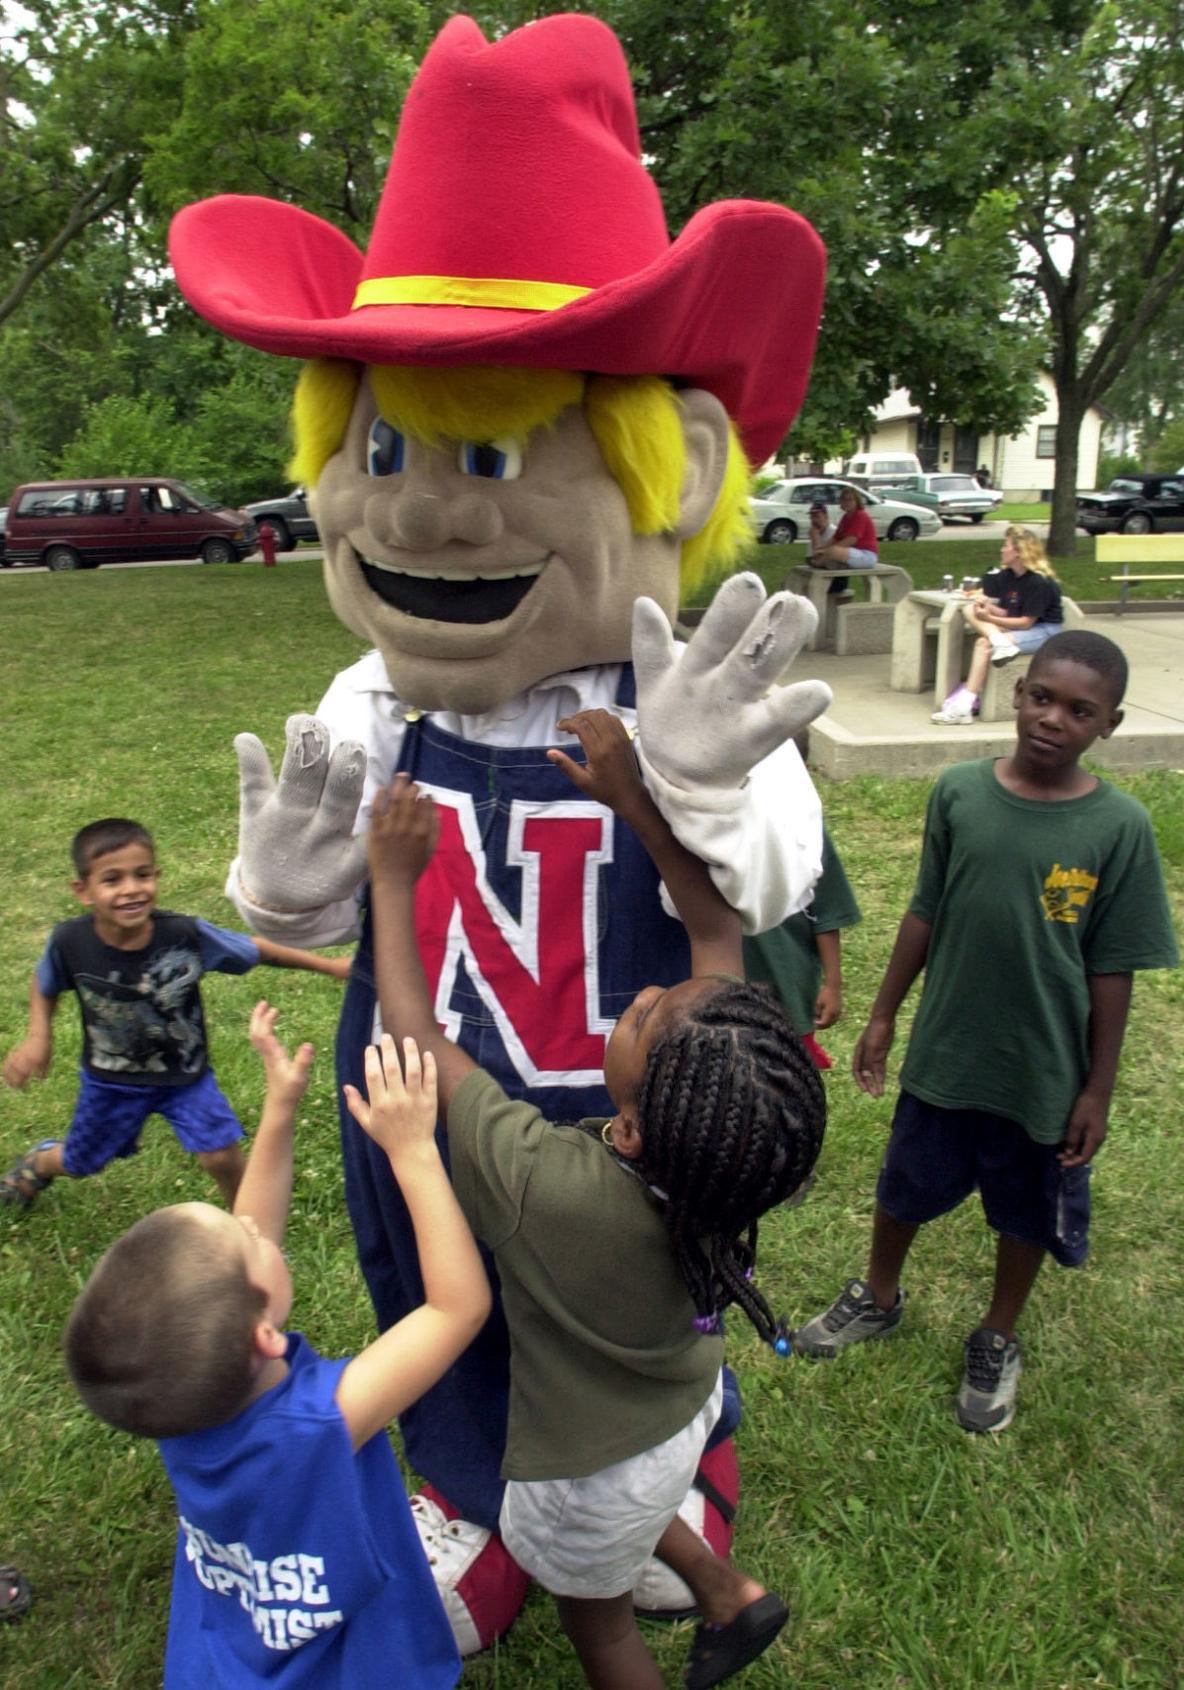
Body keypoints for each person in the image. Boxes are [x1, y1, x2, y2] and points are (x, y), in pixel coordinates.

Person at [170, 13, 834, 1642]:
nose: (421, 509)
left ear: (665, 471)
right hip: (422, 1104)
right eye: (382, 448)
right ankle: (474, 1494)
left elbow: (773, 879)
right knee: (434, 1300)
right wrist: (285, 876)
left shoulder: (671, 691)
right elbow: (306, 879)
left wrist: (701, 784)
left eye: (488, 454)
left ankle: (677, 1470)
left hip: (628, 1114)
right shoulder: (374, 698)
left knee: (649, 1300)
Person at [365, 707, 826, 1690]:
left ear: (628, 1129)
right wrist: (634, 802)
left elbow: (418, 1035)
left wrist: (393, 883)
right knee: (652, 1491)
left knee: (600, 1624)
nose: (652, 994)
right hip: (678, 1411)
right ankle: (724, 1589)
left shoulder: (552, 1187)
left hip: (582, 1470)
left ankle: (663, 1615)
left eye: (647, 1012)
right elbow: (711, 926)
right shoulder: (727, 1149)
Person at [796, 631, 1178, 1432]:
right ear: (1016, 692)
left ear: (1106, 726)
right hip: (948, 1053)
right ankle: (880, 1293)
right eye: (1041, 697)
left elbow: (1114, 970)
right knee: (903, 1185)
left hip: (1042, 1069)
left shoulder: (1121, 825)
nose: (1052, 720)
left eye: (1080, 711)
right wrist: (882, 1013)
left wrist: (1097, 1088)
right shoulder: (960, 792)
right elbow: (925, 910)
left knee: (1024, 1210)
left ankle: (998, 1334)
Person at [64, 1001, 489, 1687]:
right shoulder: (321, 1422)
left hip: (225, 1663)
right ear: (263, 1335)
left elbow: (246, 1235)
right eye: (249, 1243)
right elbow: (455, 1307)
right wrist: (413, 1151)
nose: (255, 1227)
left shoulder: (180, 1400)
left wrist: (281, 1109)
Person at [1, 818, 350, 1211]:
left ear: (156, 876)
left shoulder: (184, 935)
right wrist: (38, 1036)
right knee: (82, 1162)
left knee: (220, 1154)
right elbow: (44, 983)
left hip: (186, 1077)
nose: (131, 889)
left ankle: (249, 1233)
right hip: (111, 1081)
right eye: (112, 880)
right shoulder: (70, 942)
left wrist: (331, 965)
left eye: (143, 875)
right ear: (83, 891)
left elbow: (257, 950)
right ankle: (40, 1162)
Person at [743, 729, 861, 1073]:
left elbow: (827, 912)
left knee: (787, 1074)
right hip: (731, 979)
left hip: (788, 981)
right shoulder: (720, 827)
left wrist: (833, 983)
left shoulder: (806, 828)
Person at [932, 525, 1063, 724]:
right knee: (970, 611)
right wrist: (986, 609)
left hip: (1044, 631)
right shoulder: (1010, 576)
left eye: (1006, 546)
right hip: (1021, 627)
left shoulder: (1038, 582)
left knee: (984, 643)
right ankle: (965, 707)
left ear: (1019, 552)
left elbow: (1026, 623)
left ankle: (963, 707)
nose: (1002, 550)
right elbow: (1009, 613)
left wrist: (989, 618)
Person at [809, 484, 877, 594]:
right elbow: (836, 537)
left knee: (834, 551)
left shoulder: (860, 516)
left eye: (850, 500)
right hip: (853, 553)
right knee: (829, 551)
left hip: (867, 555)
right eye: (844, 500)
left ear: (856, 501)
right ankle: (823, 561)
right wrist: (821, 548)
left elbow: (851, 540)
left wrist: (827, 551)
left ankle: (818, 563)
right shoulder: (846, 517)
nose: (847, 502)